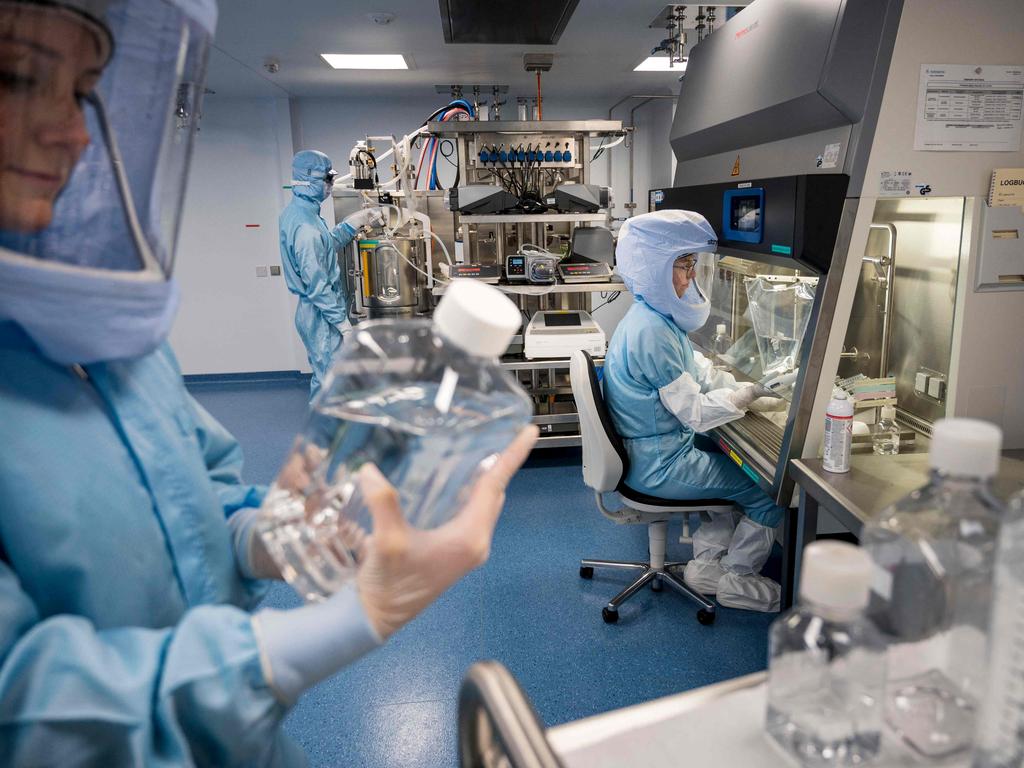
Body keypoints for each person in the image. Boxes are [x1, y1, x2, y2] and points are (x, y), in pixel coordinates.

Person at [0, 1, 538, 764]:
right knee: (335, 398)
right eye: (18, 78)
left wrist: (270, 537)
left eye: (84, 91)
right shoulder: (298, 223)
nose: (76, 132)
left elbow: (197, 497)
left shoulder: (108, 339)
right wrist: (317, 634)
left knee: (342, 435)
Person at [603, 210, 785, 612]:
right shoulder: (652, 332)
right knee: (765, 494)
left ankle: (705, 568)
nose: (690, 278)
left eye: (691, 265)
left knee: (722, 461)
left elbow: (697, 374)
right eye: (682, 266)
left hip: (653, 451)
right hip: (659, 466)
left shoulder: (651, 318)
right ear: (653, 268)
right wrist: (750, 393)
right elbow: (695, 413)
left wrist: (754, 391)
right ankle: (738, 579)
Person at [280, 149, 384, 401]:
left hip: (321, 313)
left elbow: (326, 245)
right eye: (326, 180)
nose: (330, 185)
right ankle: (325, 436)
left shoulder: (303, 214)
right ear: (309, 180)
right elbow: (317, 285)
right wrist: (342, 324)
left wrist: (353, 223)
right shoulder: (305, 228)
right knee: (330, 382)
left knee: (330, 378)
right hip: (322, 317)